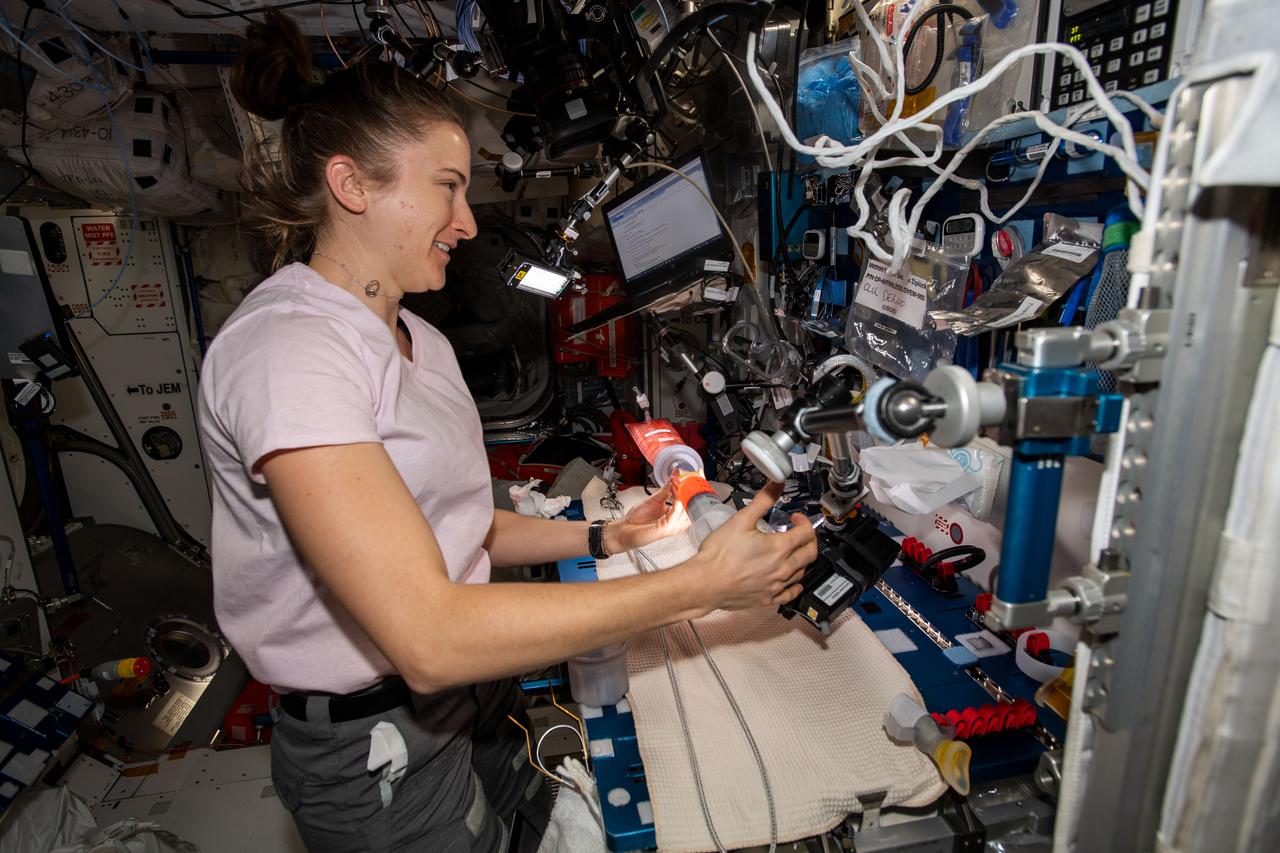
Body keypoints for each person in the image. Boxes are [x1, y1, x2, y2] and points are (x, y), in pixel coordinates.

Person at [199, 11, 816, 852]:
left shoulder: (424, 341)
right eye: (447, 185)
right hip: (375, 746)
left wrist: (604, 534)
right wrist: (699, 584)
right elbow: (428, 637)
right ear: (353, 185)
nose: (469, 221)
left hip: (468, 704)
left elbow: (460, 523)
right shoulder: (290, 352)